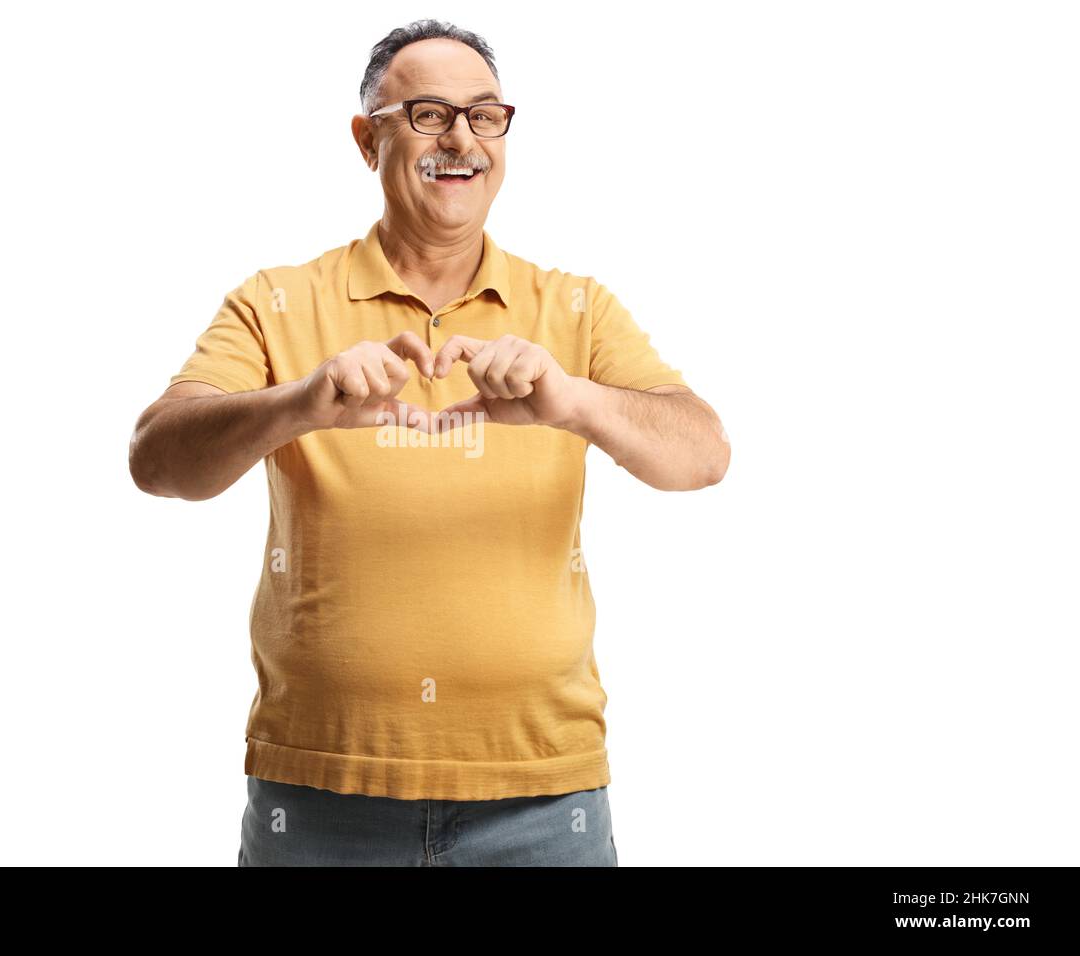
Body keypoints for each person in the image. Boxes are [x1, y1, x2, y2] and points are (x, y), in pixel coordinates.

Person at [129, 19, 729, 866]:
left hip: (542, 796)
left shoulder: (576, 308)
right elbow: (157, 460)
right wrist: (299, 403)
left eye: (486, 115)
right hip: (320, 795)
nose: (462, 140)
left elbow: (703, 453)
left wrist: (574, 401)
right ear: (366, 139)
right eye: (428, 115)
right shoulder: (277, 303)